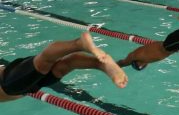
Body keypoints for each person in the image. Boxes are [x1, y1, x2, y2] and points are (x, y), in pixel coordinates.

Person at [0, 32, 128, 102]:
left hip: (8, 84)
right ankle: (102, 64)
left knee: (43, 62)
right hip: (25, 86)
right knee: (65, 65)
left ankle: (79, 44)